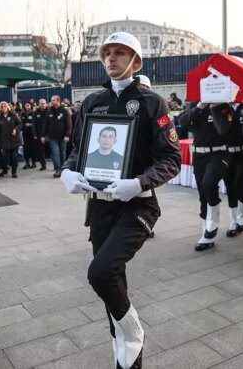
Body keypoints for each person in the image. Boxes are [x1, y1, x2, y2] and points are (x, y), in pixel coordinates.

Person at [60, 32, 181, 369]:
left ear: (135, 61)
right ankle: (126, 361)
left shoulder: (152, 102)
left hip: (137, 204)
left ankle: (134, 334)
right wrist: (68, 172)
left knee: (101, 273)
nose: (111, 58)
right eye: (107, 53)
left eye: (120, 53)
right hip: (99, 206)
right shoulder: (92, 102)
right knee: (114, 282)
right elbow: (77, 150)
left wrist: (139, 182)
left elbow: (172, 159)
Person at [180, 101, 231, 251]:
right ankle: (207, 233)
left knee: (209, 183)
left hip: (218, 153)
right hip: (199, 155)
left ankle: (213, 223)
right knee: (203, 191)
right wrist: (200, 106)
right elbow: (183, 122)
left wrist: (214, 108)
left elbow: (223, 129)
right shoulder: (195, 105)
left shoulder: (223, 106)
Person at [224, 102, 243, 237]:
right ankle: (233, 220)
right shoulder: (223, 106)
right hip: (227, 153)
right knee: (229, 185)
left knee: (239, 182)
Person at [42, 95, 72, 177]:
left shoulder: (64, 111)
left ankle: (63, 169)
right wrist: (43, 135)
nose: (51, 102)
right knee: (55, 153)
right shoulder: (49, 111)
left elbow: (69, 123)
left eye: (53, 100)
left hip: (63, 137)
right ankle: (57, 169)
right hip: (52, 137)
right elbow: (45, 124)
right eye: (51, 100)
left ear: (58, 101)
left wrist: (67, 135)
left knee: (62, 153)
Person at [0, 101, 22, 178]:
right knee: (5, 157)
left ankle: (14, 172)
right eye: (2, 107)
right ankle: (5, 170)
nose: (3, 108)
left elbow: (20, 123)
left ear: (7, 107)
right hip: (4, 140)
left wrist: (16, 129)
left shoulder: (13, 114)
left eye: (5, 106)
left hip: (14, 139)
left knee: (14, 157)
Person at [20, 102, 38, 169]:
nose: (27, 106)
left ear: (30, 106)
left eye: (28, 105)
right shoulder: (22, 113)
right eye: (26, 105)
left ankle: (33, 162)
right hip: (25, 133)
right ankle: (27, 162)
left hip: (32, 133)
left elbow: (35, 122)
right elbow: (20, 122)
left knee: (33, 148)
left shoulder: (33, 113)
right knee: (25, 148)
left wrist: (30, 125)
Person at [33, 99, 49, 170]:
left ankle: (57, 167)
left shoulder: (49, 111)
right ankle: (43, 165)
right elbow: (33, 124)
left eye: (44, 103)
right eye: (41, 103)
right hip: (39, 134)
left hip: (49, 134)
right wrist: (35, 134)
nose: (43, 105)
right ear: (38, 104)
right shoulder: (36, 112)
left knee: (53, 150)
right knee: (40, 151)